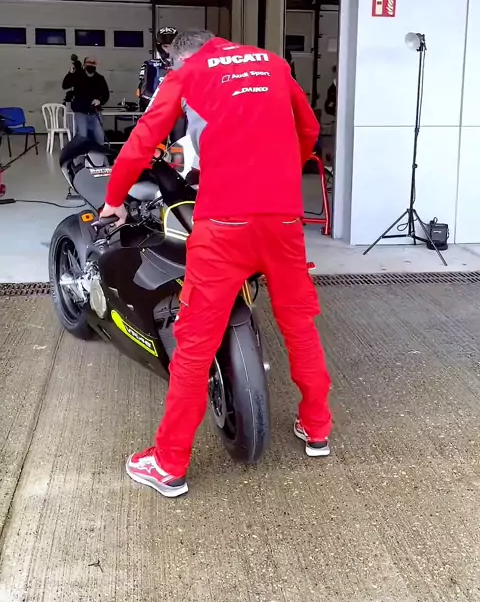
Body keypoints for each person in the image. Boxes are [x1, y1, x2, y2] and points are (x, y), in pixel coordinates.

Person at [101, 30, 332, 498]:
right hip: (284, 220)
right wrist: (279, 173)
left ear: (180, 55)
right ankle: (317, 428)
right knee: (299, 324)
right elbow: (308, 129)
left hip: (223, 226)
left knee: (195, 343)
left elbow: (143, 141)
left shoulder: (187, 72)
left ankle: (169, 464)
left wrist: (114, 199)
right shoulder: (271, 63)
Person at [62, 56, 109, 145]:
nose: (91, 65)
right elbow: (65, 85)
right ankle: (81, 152)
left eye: (93, 63)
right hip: (80, 111)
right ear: (84, 65)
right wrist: (70, 73)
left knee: (99, 136)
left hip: (95, 112)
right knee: (83, 135)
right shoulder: (77, 76)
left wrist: (100, 101)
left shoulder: (100, 78)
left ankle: (99, 153)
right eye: (89, 63)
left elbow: (106, 94)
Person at [137, 27, 177, 112]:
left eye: (172, 46)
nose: (169, 50)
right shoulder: (151, 65)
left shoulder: (186, 65)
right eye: (166, 46)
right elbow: (144, 93)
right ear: (160, 46)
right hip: (156, 110)